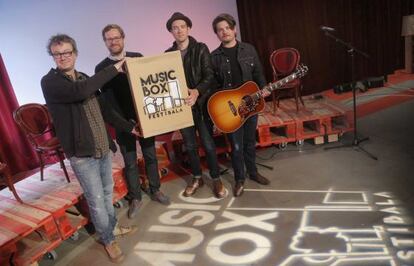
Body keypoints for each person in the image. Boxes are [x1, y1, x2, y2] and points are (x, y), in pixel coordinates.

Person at [41, 34, 137, 263]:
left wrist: (128, 127)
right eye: (58, 54)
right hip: (82, 154)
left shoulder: (84, 78)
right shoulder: (51, 82)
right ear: (53, 57)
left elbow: (104, 110)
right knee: (95, 198)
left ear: (75, 53)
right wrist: (114, 69)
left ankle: (111, 228)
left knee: (107, 192)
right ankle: (108, 239)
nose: (63, 57)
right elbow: (80, 92)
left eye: (67, 52)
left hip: (101, 146)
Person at [95, 24, 170, 219]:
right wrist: (124, 124)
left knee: (151, 156)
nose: (114, 41)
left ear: (123, 38)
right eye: (109, 39)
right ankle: (135, 197)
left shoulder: (137, 57)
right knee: (129, 162)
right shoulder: (101, 68)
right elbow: (105, 104)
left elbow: (150, 86)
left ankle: (155, 190)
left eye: (116, 37)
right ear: (105, 42)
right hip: (122, 123)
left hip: (144, 118)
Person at [165, 12, 225, 198]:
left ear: (188, 28)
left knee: (208, 144)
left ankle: (216, 179)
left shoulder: (200, 48)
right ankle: (197, 178)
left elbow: (209, 75)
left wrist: (197, 91)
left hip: (200, 104)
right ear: (171, 32)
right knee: (190, 146)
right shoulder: (167, 55)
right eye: (175, 27)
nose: (179, 30)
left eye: (182, 26)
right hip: (182, 109)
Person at [210, 14, 271, 197]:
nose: (224, 32)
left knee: (250, 142)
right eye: (220, 29)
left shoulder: (249, 49)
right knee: (236, 146)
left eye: (227, 28)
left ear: (234, 29)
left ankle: (253, 172)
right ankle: (239, 179)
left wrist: (264, 88)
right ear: (217, 34)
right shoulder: (214, 57)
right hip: (231, 110)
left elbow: (258, 73)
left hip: (251, 103)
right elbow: (214, 88)